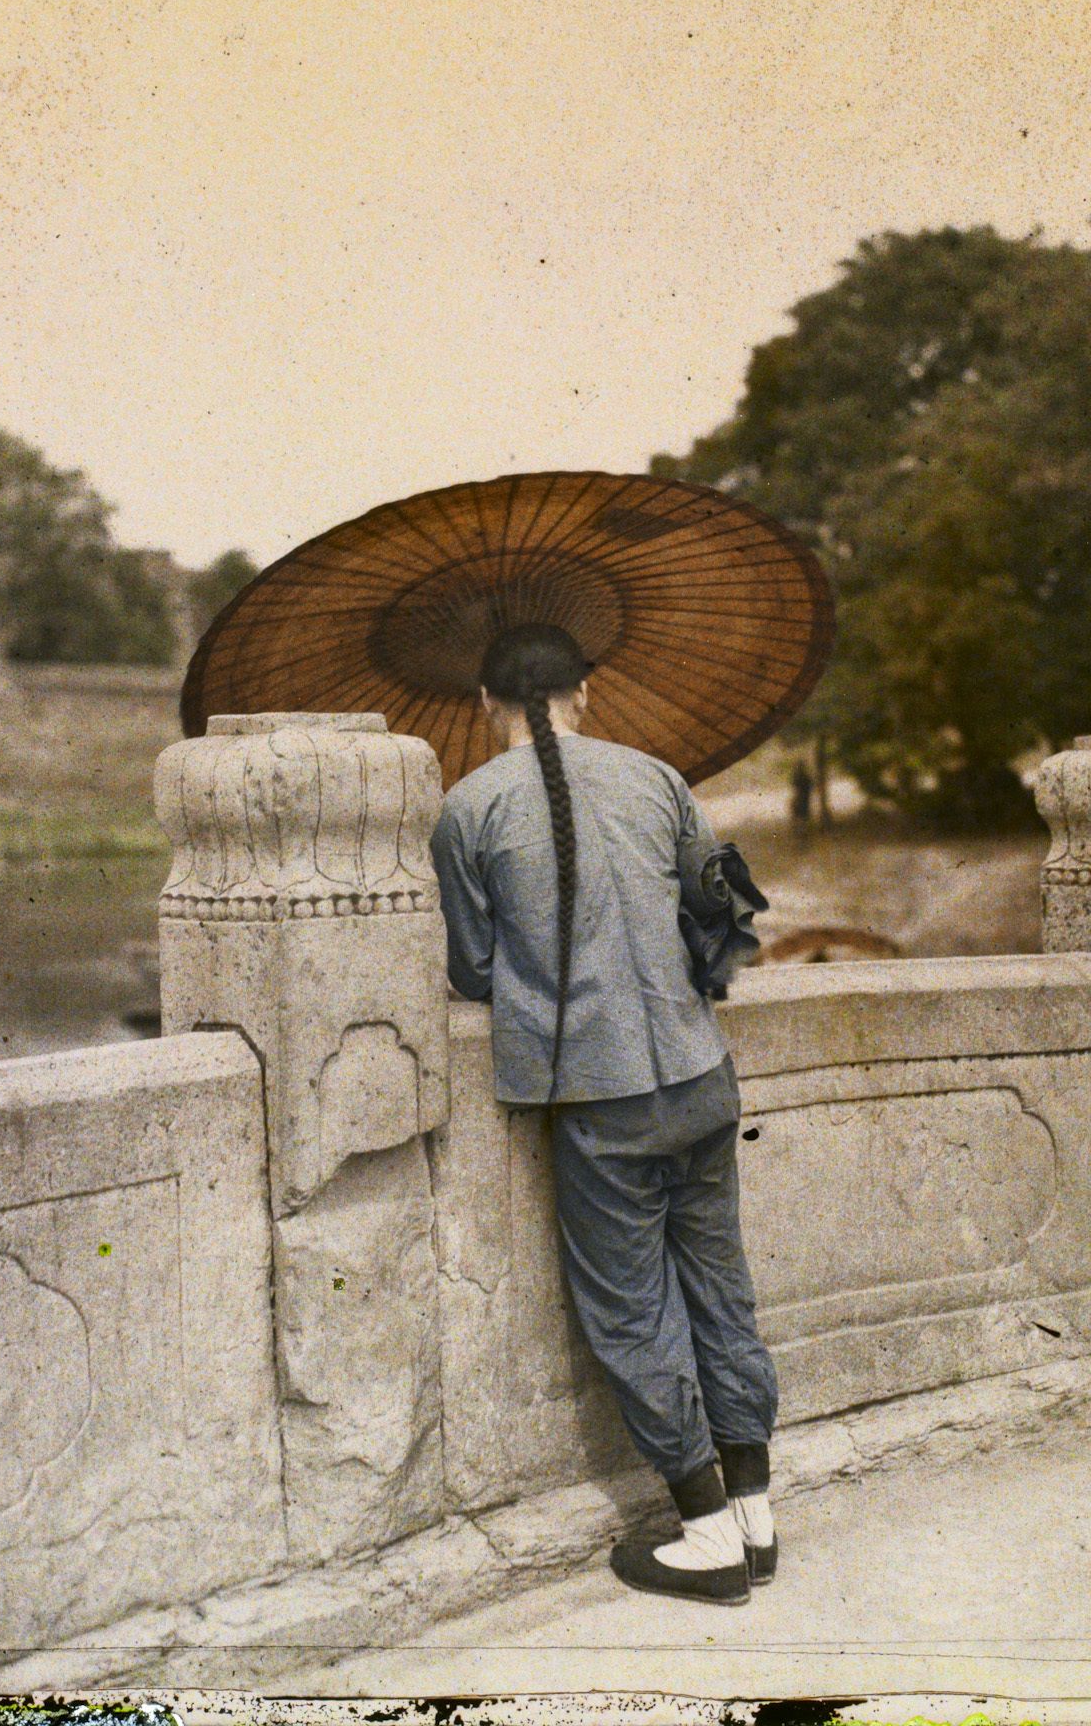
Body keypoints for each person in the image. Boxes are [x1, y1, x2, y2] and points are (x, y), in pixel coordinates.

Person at [429, 621, 779, 1607]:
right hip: (702, 1077)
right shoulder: (659, 777)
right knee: (719, 1287)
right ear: (583, 691)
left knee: (632, 1311)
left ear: (483, 704)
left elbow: (471, 968)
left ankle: (705, 1533)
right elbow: (723, 910)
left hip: (598, 1094)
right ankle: (756, 1514)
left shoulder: (465, 809)